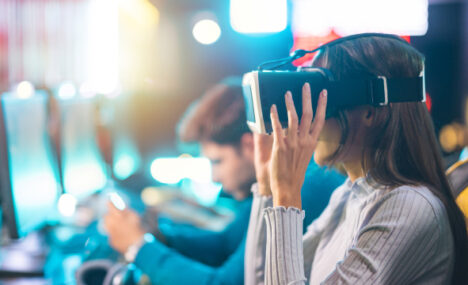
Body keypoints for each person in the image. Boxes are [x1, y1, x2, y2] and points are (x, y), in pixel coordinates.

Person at [245, 34, 468, 284]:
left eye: (320, 99)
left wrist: (286, 195)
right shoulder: (349, 195)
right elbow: (263, 279)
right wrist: (266, 188)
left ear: (370, 113)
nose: (307, 117)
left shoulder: (409, 206)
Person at [104, 79, 344, 284]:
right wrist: (161, 237)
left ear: (252, 145)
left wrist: (138, 247)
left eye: (217, 161)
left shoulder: (302, 186)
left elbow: (226, 283)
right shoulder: (290, 179)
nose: (213, 177)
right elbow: (227, 243)